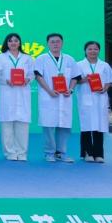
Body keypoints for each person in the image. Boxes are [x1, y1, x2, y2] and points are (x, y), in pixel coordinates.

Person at [34, 33, 78, 163]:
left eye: (58, 41)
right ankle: (49, 153)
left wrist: (70, 89)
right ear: (47, 44)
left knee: (64, 126)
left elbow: (75, 77)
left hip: (65, 97)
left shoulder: (69, 59)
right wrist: (49, 91)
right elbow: (38, 76)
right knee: (48, 126)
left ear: (62, 43)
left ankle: (61, 153)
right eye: (52, 42)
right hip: (49, 96)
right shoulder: (41, 58)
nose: (55, 44)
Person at [76, 40, 112, 163]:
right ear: (85, 51)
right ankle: (87, 153)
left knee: (100, 126)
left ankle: (99, 154)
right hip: (85, 98)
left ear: (99, 50)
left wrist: (105, 88)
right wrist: (85, 79)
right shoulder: (79, 65)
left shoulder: (104, 65)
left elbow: (110, 81)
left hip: (100, 98)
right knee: (86, 126)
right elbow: (75, 81)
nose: (93, 51)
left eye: (95, 49)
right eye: (90, 49)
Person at [0, 32, 34, 162]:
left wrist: (28, 79)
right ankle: (10, 152)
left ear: (20, 43)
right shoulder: (0, 57)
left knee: (23, 124)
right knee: (7, 124)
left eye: (16, 40)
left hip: (23, 93)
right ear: (7, 43)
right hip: (7, 92)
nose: (13, 43)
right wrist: (6, 80)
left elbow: (32, 74)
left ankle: (22, 152)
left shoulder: (27, 58)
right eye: (10, 41)